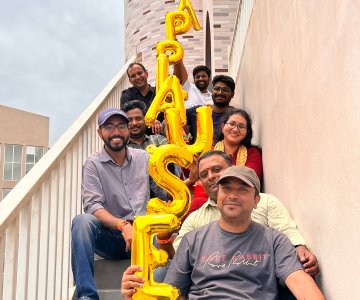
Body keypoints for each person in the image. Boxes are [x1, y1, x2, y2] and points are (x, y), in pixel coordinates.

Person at [122, 165, 324, 299]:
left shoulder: (274, 240)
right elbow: (175, 294)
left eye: (243, 189)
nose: (232, 196)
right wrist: (136, 293)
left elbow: (301, 284)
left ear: (256, 201)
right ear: (217, 197)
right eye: (226, 189)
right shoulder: (193, 239)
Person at [71, 108, 153, 300]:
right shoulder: (93, 164)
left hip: (145, 236)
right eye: (109, 127)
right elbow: (93, 205)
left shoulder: (145, 158)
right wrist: (122, 225)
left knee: (167, 237)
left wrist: (188, 181)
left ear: (128, 129)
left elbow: (163, 194)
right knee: (82, 222)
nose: (116, 132)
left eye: (121, 126)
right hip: (112, 238)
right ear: (100, 132)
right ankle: (87, 297)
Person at [186, 75, 235, 145]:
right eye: (217, 89)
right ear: (212, 91)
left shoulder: (236, 116)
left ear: (232, 94)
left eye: (225, 90)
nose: (220, 93)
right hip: (197, 154)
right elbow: (173, 119)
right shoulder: (196, 111)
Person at [120, 63, 162, 134]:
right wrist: (150, 120)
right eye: (133, 76)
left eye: (140, 73)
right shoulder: (127, 94)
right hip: (137, 136)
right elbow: (127, 118)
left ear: (146, 73)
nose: (137, 77)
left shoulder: (159, 92)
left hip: (161, 133)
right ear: (130, 81)